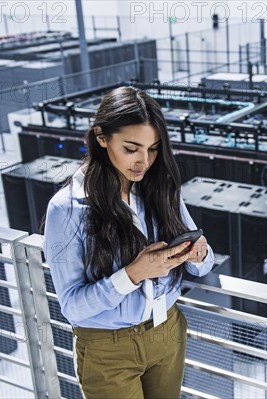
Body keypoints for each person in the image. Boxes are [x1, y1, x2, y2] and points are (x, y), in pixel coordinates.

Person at [43, 86, 214, 398]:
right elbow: (73, 308)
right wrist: (135, 273)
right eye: (131, 148)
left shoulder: (160, 187)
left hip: (167, 330)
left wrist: (197, 254)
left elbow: (206, 262)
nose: (144, 161)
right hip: (109, 349)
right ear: (102, 138)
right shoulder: (67, 208)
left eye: (153, 149)